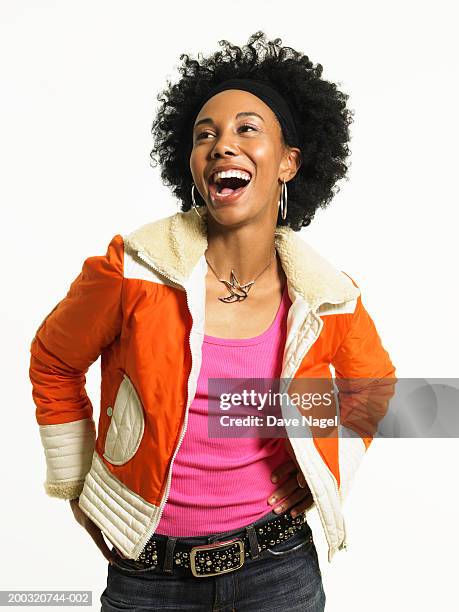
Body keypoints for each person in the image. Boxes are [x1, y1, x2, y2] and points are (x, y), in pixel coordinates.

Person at [29, 31, 396, 611]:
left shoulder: (327, 296)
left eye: (247, 129)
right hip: (147, 576)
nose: (224, 144)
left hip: (279, 571)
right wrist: (75, 483)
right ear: (194, 165)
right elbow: (53, 360)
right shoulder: (134, 270)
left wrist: (317, 457)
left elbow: (373, 387)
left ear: (289, 164)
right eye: (206, 135)